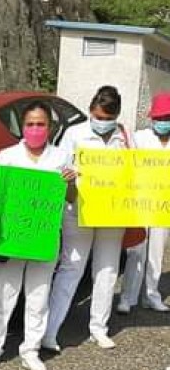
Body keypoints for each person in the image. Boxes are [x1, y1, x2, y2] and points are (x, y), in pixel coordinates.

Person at [0, 101, 76, 370]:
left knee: (38, 296)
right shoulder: (7, 156)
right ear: (22, 127)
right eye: (30, 124)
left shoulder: (60, 157)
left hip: (43, 240)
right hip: (10, 239)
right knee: (3, 296)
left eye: (40, 124)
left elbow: (71, 198)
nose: (35, 129)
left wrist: (70, 183)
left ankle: (30, 349)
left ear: (50, 127)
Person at [44, 86, 130, 351]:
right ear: (91, 111)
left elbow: (135, 171)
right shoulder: (75, 134)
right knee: (72, 268)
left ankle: (98, 328)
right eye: (97, 116)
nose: (102, 123)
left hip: (113, 213)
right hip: (77, 210)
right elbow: (60, 168)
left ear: (116, 116)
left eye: (107, 118)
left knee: (107, 270)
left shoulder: (124, 137)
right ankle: (50, 331)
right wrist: (67, 176)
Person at [117, 92, 170, 314]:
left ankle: (151, 295)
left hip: (163, 204)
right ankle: (127, 298)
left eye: (167, 118)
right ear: (151, 118)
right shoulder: (140, 137)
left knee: (156, 251)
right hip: (140, 201)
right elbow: (125, 156)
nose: (162, 122)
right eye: (158, 118)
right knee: (137, 249)